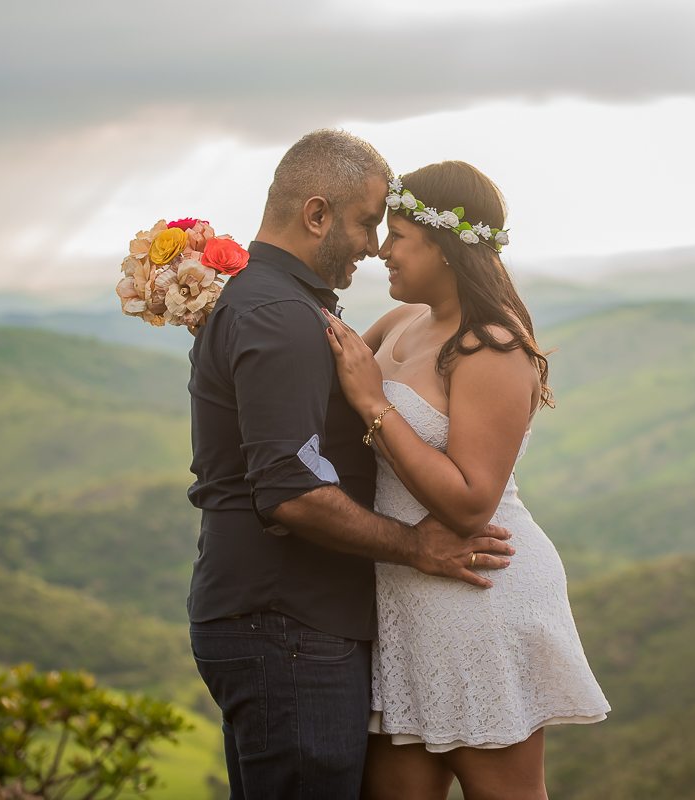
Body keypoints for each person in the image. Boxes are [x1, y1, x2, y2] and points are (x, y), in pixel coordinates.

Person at [186, 132, 516, 800]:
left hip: (287, 616)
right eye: (369, 224)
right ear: (317, 215)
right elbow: (293, 493)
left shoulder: (272, 303)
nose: (373, 245)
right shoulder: (280, 314)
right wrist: (415, 546)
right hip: (289, 618)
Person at [323, 160, 610, 800]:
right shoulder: (401, 323)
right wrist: (212, 298)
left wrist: (374, 404)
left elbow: (471, 503)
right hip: (404, 596)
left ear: (446, 248)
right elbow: (316, 364)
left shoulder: (491, 348)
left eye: (399, 236)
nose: (383, 251)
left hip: (479, 593)